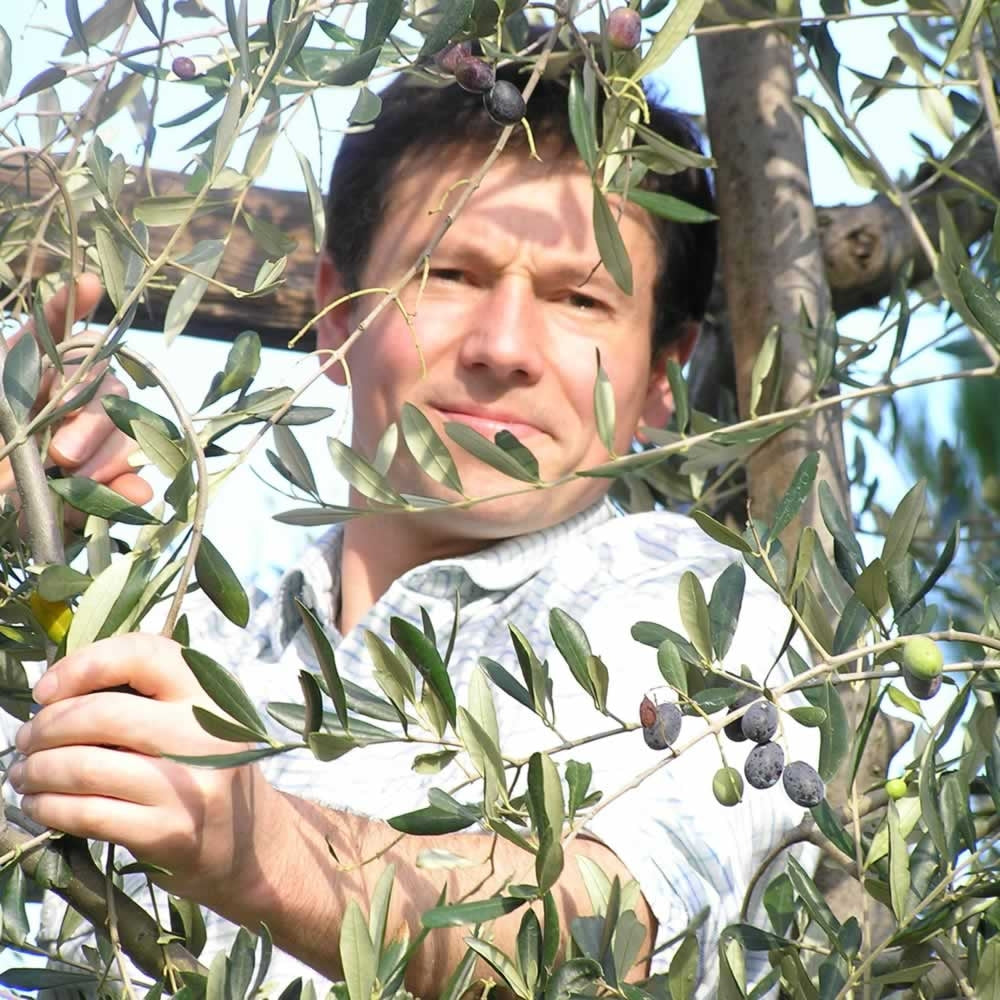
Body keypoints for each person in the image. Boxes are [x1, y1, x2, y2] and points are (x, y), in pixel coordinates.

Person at [2, 54, 819, 998]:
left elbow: (598, 938)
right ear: (334, 314)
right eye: (450, 273)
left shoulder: (716, 629)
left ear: (662, 377)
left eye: (580, 299)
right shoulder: (189, 645)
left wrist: (262, 844)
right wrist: (30, 557)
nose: (503, 347)